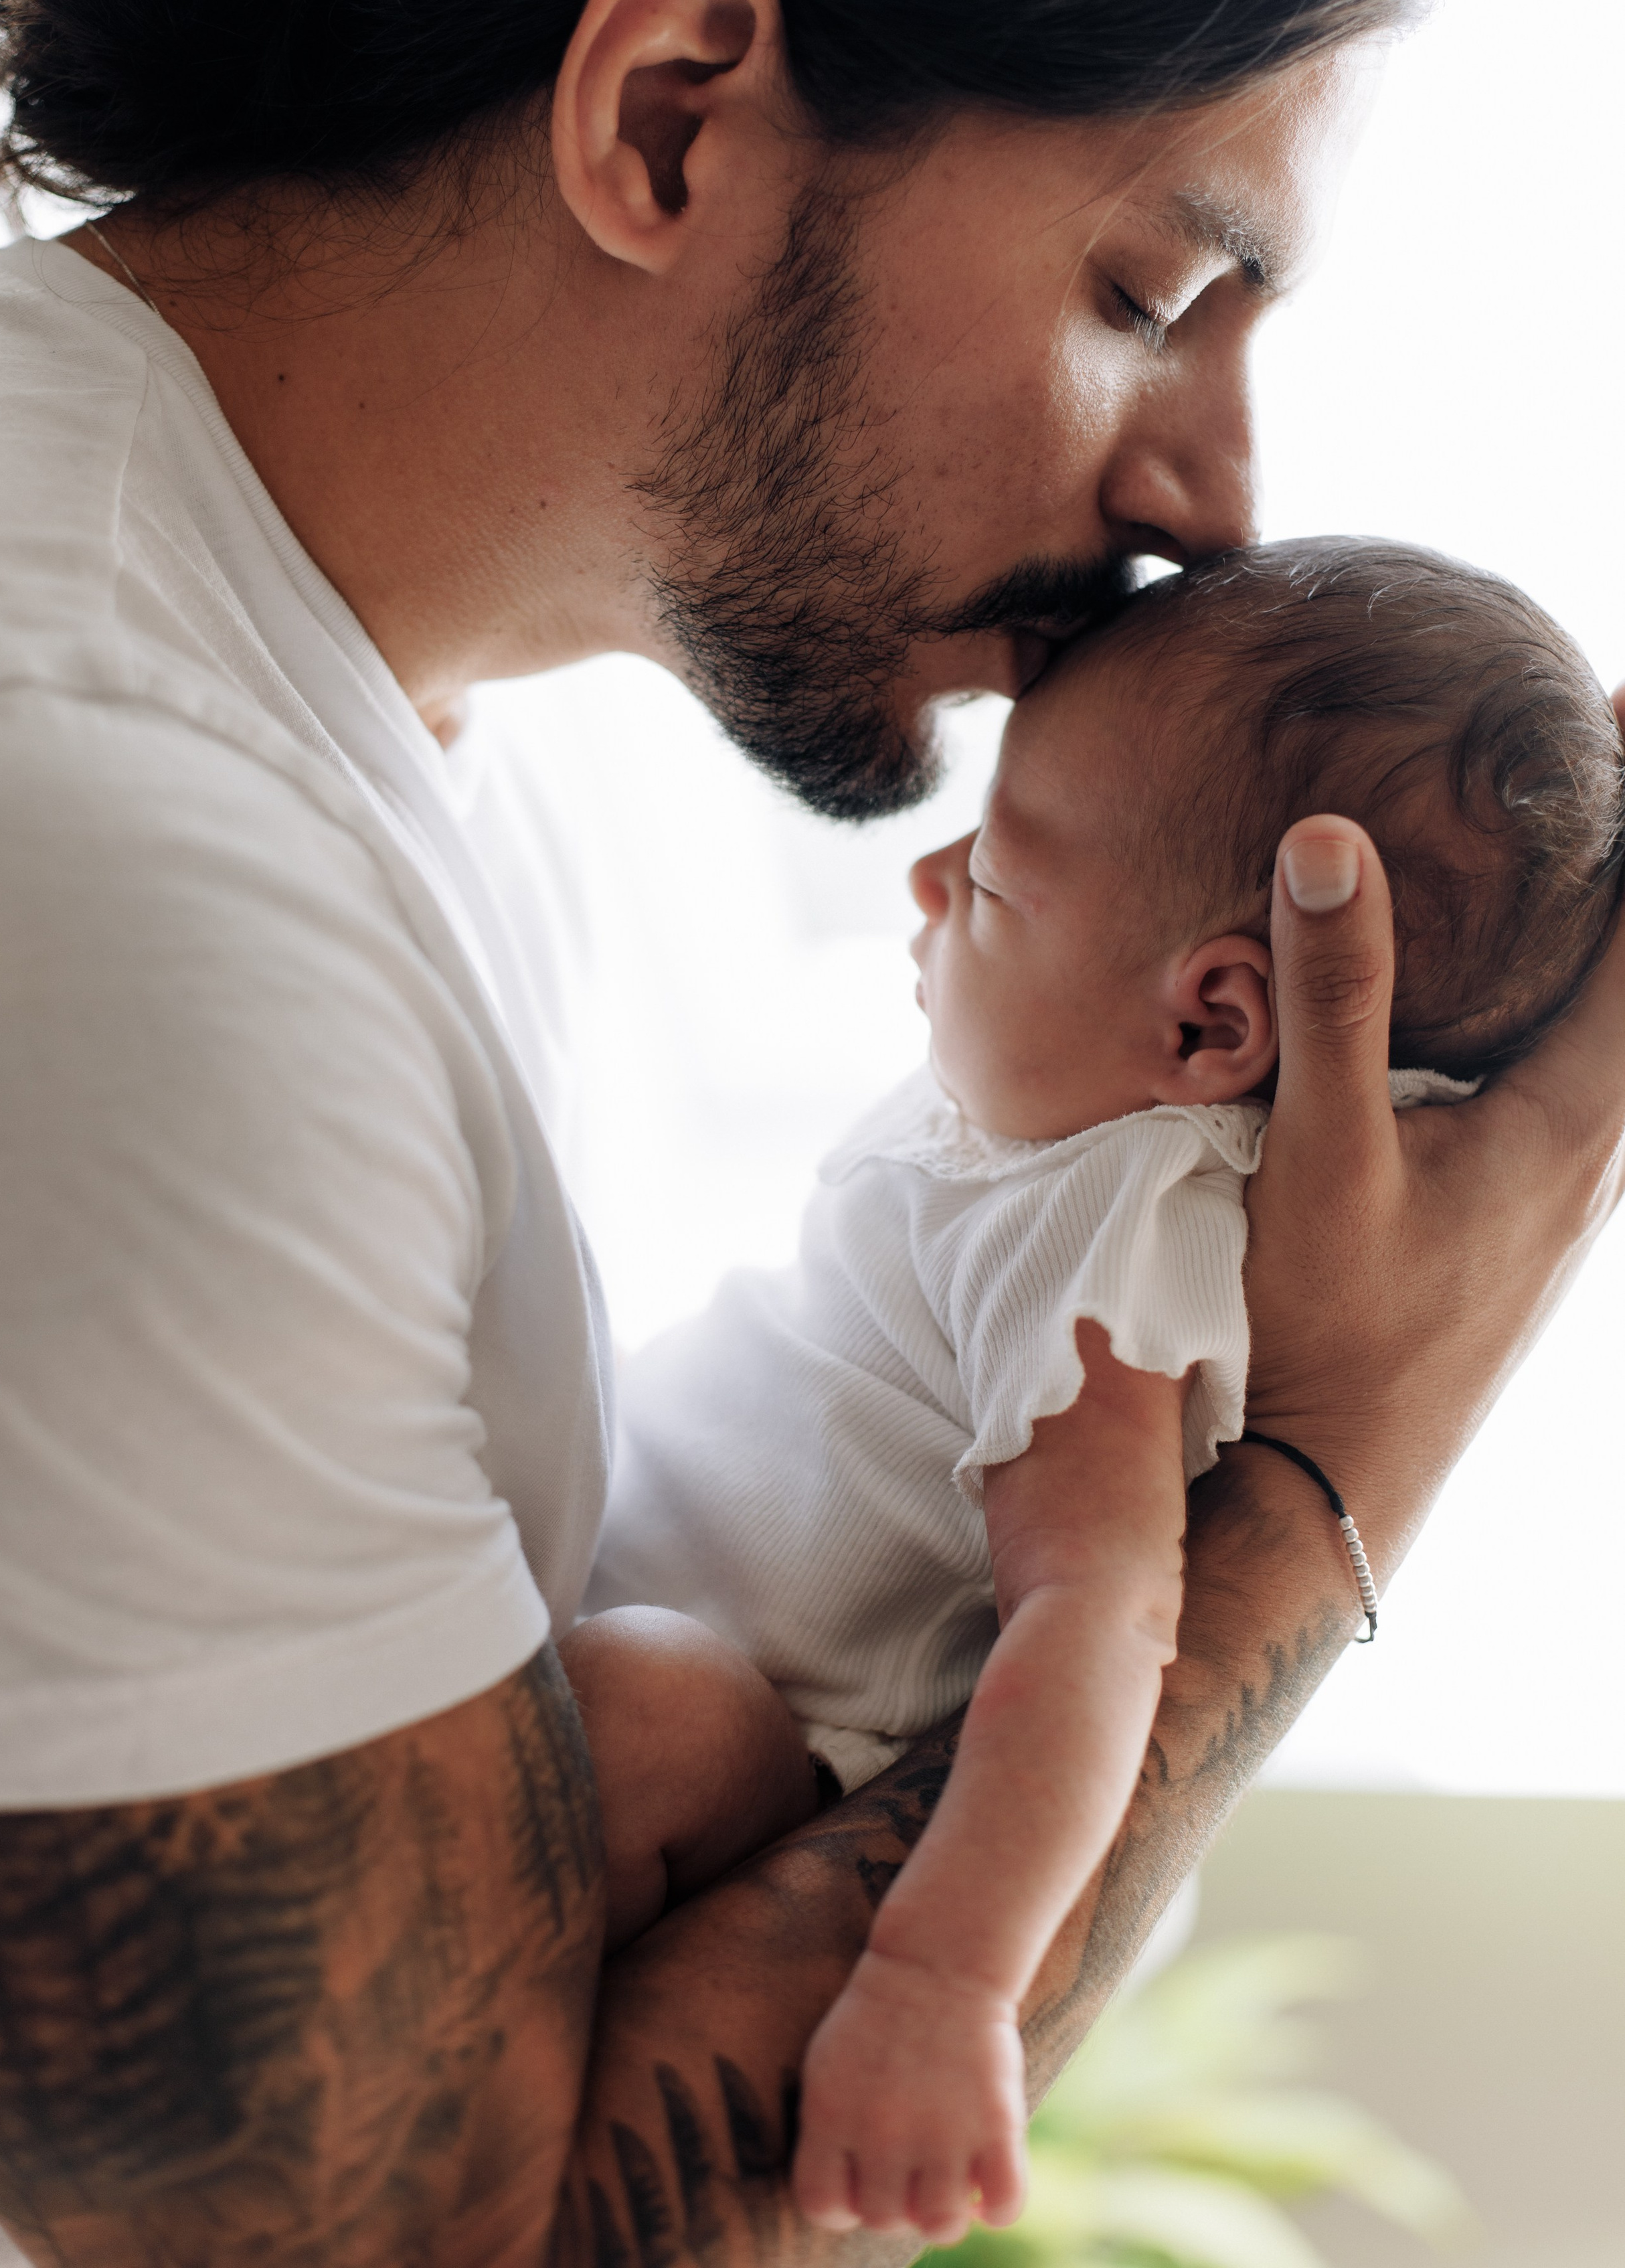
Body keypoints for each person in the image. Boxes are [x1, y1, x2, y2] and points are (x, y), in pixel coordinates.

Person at [0, 0, 1620, 2265]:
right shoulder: (89, 849)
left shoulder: (431, 726)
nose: (1218, 497)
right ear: (676, 110)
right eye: (1151, 285)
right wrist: (1340, 1473)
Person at [576, 539, 1625, 2242]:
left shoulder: (1104, 1217)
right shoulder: (1061, 1118)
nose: (925, 882)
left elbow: (1101, 1617)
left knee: (641, 1711)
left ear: (1211, 1025)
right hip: (622, 1608)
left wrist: (938, 1987)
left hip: (747, 1751)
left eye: (992, 875)